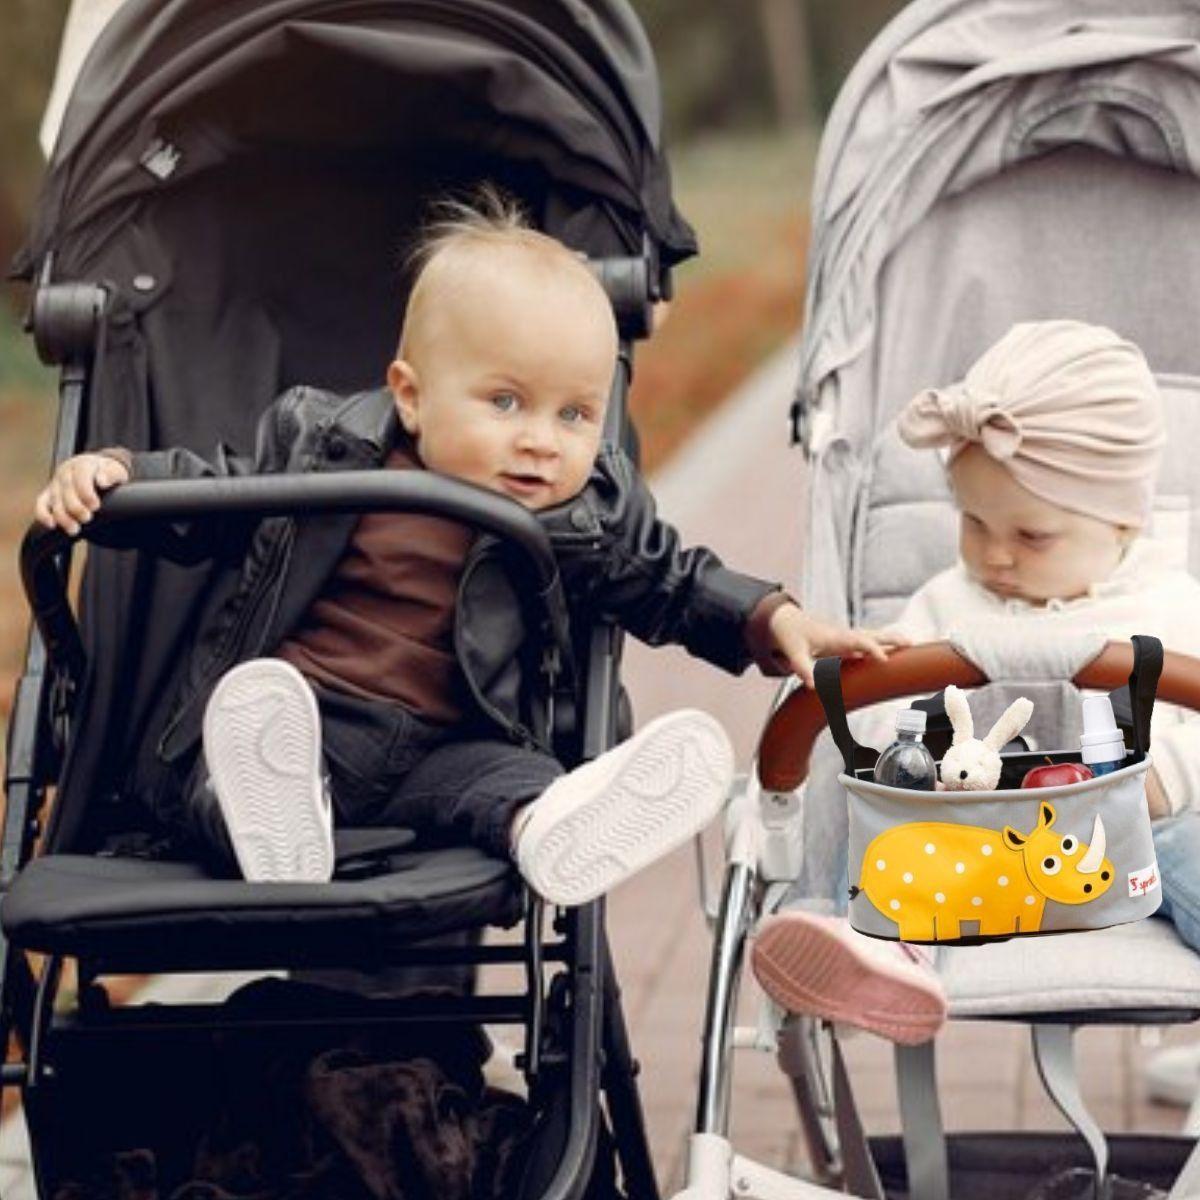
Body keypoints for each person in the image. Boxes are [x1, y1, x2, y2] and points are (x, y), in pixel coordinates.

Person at [35, 192, 898, 907]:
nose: (541, 442)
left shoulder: (580, 513)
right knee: (238, 760)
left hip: (440, 753)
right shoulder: (324, 447)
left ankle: (554, 824)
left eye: (575, 415)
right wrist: (118, 477)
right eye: (506, 402)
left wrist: (769, 616)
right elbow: (212, 494)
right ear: (410, 396)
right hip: (303, 718)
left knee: (508, 781)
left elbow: (666, 580)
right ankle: (280, 821)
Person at [750, 319, 1200, 1047]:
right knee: (883, 842)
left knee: (1195, 845)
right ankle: (868, 952)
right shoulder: (945, 602)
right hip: (977, 850)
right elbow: (873, 716)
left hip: (1129, 847)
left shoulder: (1173, 608)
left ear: (1125, 523)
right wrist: (919, 754)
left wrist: (1167, 779)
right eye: (973, 523)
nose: (994, 556)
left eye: (1031, 536)